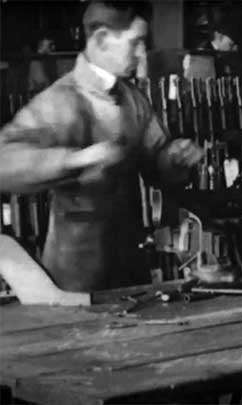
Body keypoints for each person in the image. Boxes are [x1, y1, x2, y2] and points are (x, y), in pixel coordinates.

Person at [0, 1, 204, 293]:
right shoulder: (62, 100)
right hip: (74, 280)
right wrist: (74, 161)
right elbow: (4, 161)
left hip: (131, 270)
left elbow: (156, 160)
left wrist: (173, 158)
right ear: (101, 40)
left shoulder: (134, 100)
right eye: (135, 43)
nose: (142, 54)